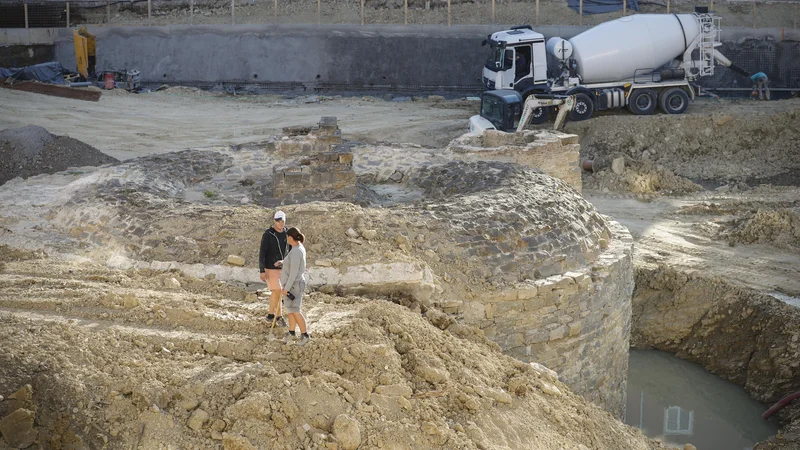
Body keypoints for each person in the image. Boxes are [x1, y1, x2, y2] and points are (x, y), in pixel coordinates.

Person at [259, 210, 290, 325]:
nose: (280, 223)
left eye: (282, 221)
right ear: (274, 221)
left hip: (283, 269)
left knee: (276, 292)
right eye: (278, 221)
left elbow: (290, 251)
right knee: (278, 290)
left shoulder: (287, 234)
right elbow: (262, 252)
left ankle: (271, 314)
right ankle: (279, 317)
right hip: (270, 268)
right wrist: (262, 270)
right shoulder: (268, 234)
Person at [280, 227, 309, 346]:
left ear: (290, 237)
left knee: (296, 311)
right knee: (291, 311)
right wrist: (282, 262)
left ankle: (305, 335)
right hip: (292, 285)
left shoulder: (297, 251)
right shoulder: (296, 248)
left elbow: (294, 272)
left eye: (287, 237)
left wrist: (286, 288)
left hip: (294, 286)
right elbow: (292, 264)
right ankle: (291, 332)